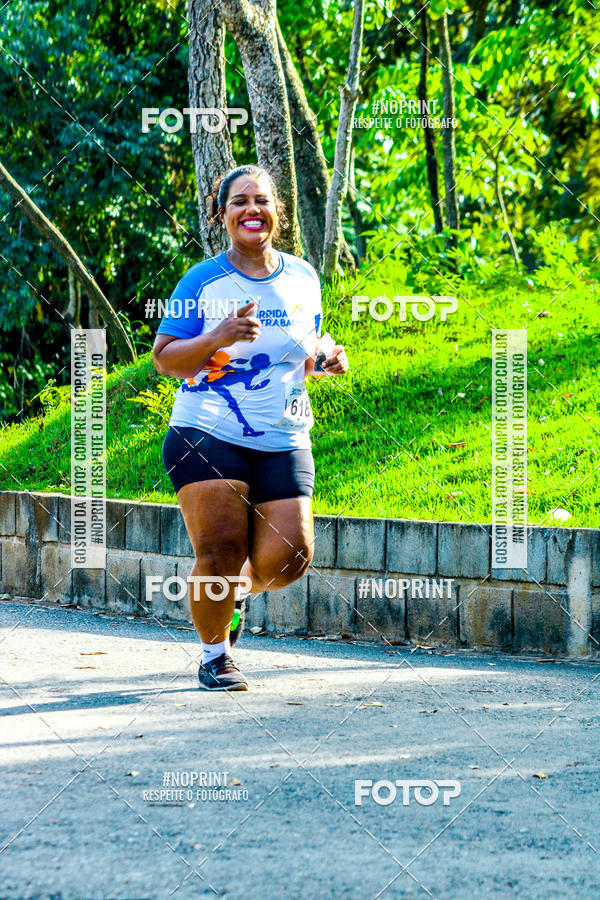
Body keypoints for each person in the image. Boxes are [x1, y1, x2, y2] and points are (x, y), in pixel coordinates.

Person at [152, 164, 349, 691]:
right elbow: (166, 359)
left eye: (261, 200)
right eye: (239, 202)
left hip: (283, 434)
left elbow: (301, 349)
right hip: (205, 432)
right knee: (218, 551)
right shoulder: (203, 281)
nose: (251, 210)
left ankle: (235, 594)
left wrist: (324, 356)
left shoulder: (303, 276)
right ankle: (215, 657)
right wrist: (217, 335)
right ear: (223, 215)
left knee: (292, 556)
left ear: (276, 213)